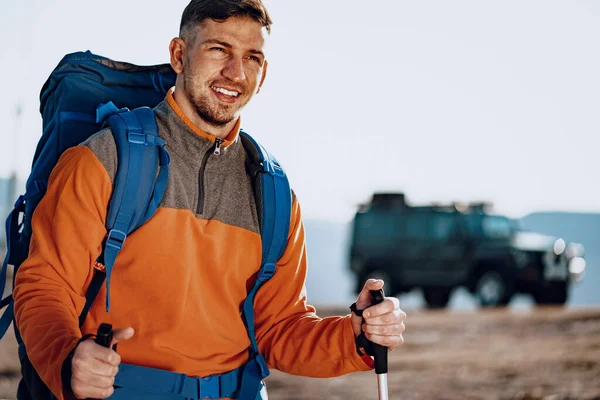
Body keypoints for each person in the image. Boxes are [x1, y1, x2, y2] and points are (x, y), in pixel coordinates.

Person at [13, 1, 407, 399]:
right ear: (179, 55)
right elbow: (46, 287)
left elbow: (277, 328)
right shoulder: (101, 161)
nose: (235, 73)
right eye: (219, 49)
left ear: (263, 72)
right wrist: (69, 357)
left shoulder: (273, 193)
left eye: (251, 57)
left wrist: (354, 335)